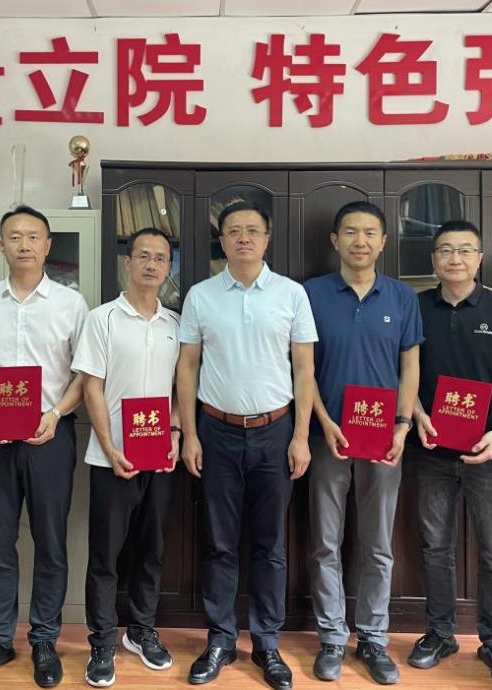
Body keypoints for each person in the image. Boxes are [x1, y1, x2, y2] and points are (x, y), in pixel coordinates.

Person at [177, 200, 318, 690]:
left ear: (267, 239)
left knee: (270, 543)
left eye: (252, 230)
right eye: (234, 230)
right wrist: (189, 433)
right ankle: (220, 639)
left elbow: (304, 368)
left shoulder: (291, 294)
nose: (243, 238)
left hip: (276, 431)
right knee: (218, 542)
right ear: (221, 240)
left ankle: (266, 642)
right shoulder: (201, 296)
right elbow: (187, 366)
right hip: (215, 430)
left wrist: (301, 436)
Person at [0, 205, 88, 689]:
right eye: (15, 236)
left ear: (48, 246)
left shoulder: (71, 303)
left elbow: (84, 373)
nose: (25, 244)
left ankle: (45, 640)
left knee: (50, 541)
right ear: (1, 245)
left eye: (34, 236)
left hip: (50, 436)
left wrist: (56, 414)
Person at [405, 220, 492, 688]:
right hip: (432, 447)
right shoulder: (416, 306)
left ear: (480, 258)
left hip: (489, 451)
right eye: (445, 250)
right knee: (435, 546)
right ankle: (440, 633)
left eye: (465, 250)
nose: (454, 258)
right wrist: (417, 414)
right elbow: (405, 369)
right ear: (433, 259)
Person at [303, 200, 422, 685]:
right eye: (350, 232)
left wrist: (402, 425)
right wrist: (323, 420)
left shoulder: (402, 297)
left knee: (377, 544)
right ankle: (332, 637)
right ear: (335, 240)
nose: (360, 241)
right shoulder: (310, 293)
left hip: (384, 439)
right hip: (326, 436)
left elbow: (410, 366)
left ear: (383, 242)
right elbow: (302, 368)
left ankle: (373, 637)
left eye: (370, 233)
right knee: (325, 542)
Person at [72, 227, 182, 687]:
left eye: (161, 258)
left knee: (151, 550)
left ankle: (141, 630)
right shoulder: (102, 319)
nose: (152, 265)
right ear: (127, 262)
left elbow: (180, 388)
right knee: (106, 555)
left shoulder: (175, 324)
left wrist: (175, 431)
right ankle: (101, 641)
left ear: (168, 267)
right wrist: (109, 445)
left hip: (160, 456)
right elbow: (91, 387)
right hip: (110, 458)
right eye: (144, 256)